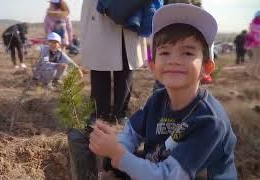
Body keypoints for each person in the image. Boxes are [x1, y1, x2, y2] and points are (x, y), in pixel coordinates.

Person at [89, 4, 237, 180]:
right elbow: (130, 133)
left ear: (206, 67)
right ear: (152, 66)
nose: (174, 60)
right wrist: (116, 151)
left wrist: (119, 154)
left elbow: (169, 176)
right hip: (158, 169)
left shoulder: (210, 120)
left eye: (188, 53)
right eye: (165, 52)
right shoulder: (157, 101)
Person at [81, 0, 148, 124]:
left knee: (125, 63)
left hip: (129, 12)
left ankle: (120, 114)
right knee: (99, 64)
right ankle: (100, 114)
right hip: (99, 13)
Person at [245, 10, 260, 77]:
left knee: (254, 58)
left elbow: (250, 35)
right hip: (257, 44)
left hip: (254, 44)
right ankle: (255, 73)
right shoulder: (258, 25)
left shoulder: (252, 25)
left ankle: (249, 71)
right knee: (257, 59)